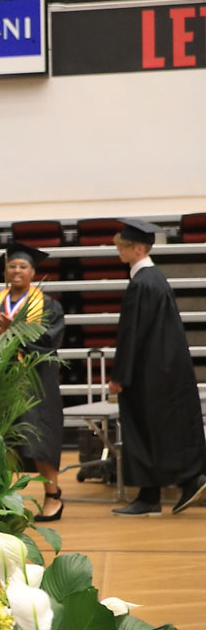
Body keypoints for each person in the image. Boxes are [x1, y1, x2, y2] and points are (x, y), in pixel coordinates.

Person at [108, 219, 206, 516]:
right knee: (162, 430)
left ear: (138, 248)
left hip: (146, 373)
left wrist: (120, 375)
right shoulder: (157, 280)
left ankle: (154, 495)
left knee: (143, 430)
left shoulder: (142, 283)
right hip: (164, 369)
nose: (119, 252)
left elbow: (132, 333)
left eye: (123, 247)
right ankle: (165, 488)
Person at [0, 242, 65, 522]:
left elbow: (49, 341)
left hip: (35, 380)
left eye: (23, 266)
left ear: (33, 271)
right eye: (12, 265)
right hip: (0, 379)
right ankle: (3, 497)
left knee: (40, 439)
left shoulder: (48, 304)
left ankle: (53, 496)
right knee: (2, 440)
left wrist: (13, 330)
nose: (17, 271)